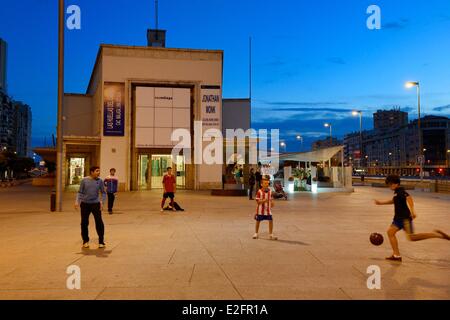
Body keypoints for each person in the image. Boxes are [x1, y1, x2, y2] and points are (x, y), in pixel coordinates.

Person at [374, 175, 449, 262]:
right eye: (388, 184)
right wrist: (381, 203)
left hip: (405, 218)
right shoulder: (397, 193)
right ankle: (396, 255)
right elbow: (393, 201)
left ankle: (436, 235)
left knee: (412, 237)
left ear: (396, 184)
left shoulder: (401, 191)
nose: (389, 186)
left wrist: (412, 211)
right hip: (398, 218)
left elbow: (408, 197)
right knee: (390, 233)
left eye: (390, 184)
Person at [74, 166, 107, 249]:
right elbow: (80, 192)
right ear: (92, 172)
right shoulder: (84, 180)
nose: (98, 173)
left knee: (99, 222)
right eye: (97, 171)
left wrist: (102, 202)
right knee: (84, 223)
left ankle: (101, 241)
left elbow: (103, 192)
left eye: (99, 171)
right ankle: (85, 241)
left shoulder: (100, 181)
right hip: (85, 204)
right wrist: (77, 201)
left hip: (95, 204)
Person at [253, 175, 277, 240]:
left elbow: (271, 199)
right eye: (265, 183)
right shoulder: (259, 192)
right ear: (261, 184)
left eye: (267, 183)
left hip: (268, 210)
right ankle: (256, 233)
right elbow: (258, 202)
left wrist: (272, 203)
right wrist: (264, 200)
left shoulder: (270, 191)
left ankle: (271, 234)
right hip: (260, 210)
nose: (267, 184)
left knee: (271, 220)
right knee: (258, 221)